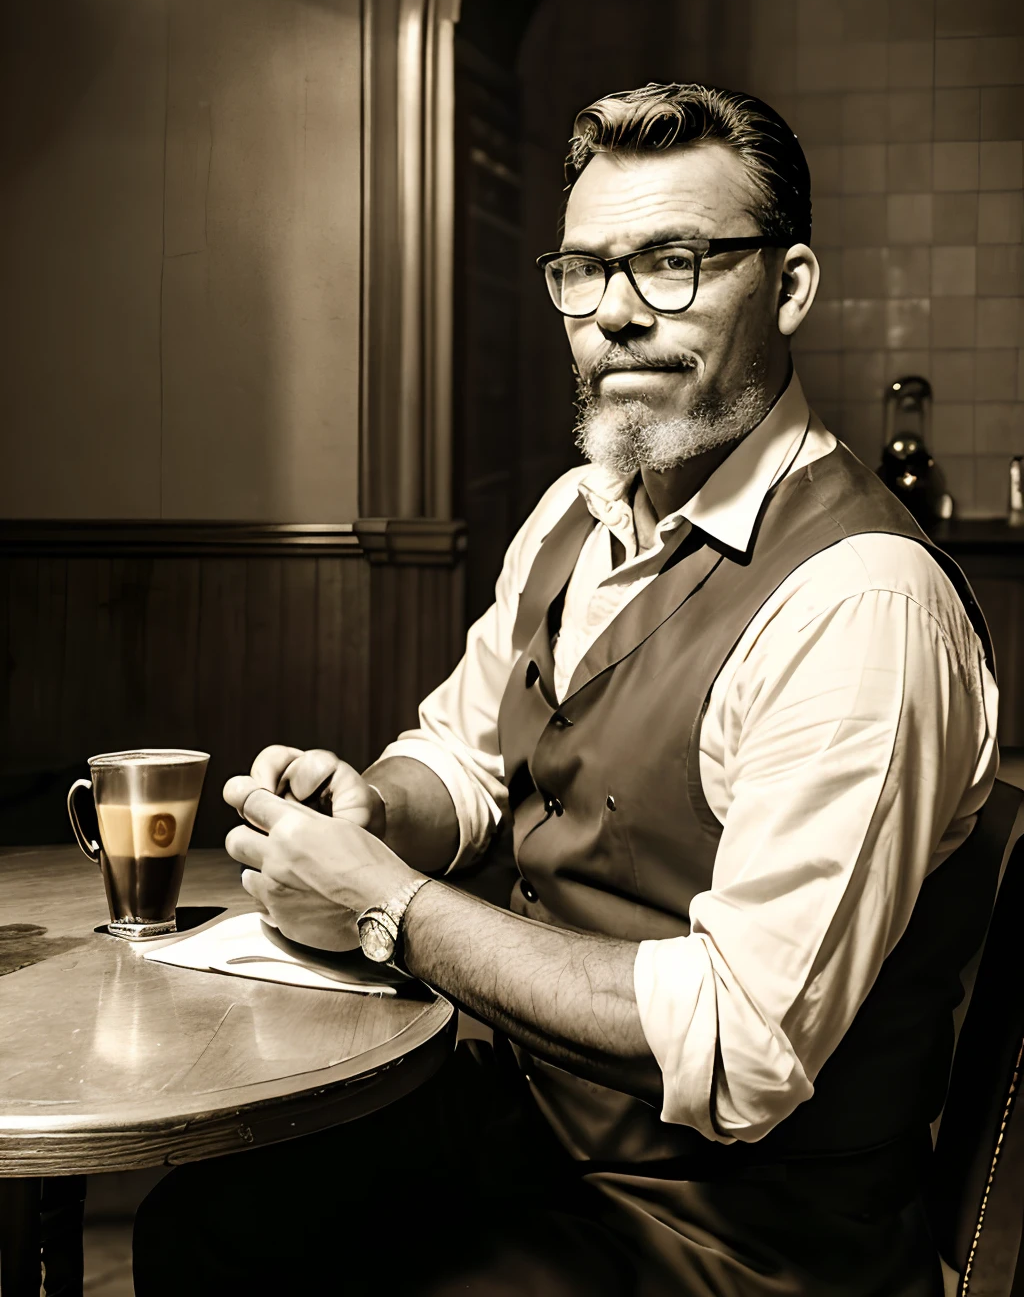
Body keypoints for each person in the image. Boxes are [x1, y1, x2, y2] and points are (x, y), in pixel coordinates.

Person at [134, 83, 1000, 1296]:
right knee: (204, 1222)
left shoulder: (862, 604)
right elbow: (464, 758)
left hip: (735, 1240)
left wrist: (391, 906)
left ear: (791, 285)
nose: (615, 317)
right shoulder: (572, 514)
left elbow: (741, 1044)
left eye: (673, 265)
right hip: (530, 1133)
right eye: (585, 273)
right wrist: (378, 807)